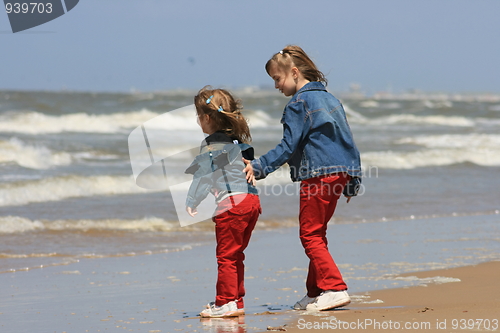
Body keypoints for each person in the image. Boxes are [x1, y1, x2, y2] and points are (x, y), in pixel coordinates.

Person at [243, 45, 362, 312]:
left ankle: (335, 287)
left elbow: (288, 146)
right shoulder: (331, 99)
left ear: (294, 72)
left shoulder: (298, 103)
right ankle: (315, 291)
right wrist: (354, 178)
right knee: (317, 232)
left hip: (318, 175)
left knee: (309, 234)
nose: (276, 85)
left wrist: (259, 166)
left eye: (277, 79)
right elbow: (348, 140)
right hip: (339, 173)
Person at [185, 86, 261, 318]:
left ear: (207, 118)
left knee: (226, 256)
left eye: (199, 117)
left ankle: (225, 301)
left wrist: (192, 200)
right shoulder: (238, 144)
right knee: (236, 254)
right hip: (251, 202)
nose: (199, 122)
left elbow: (204, 176)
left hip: (231, 205)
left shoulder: (211, 146)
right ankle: (236, 300)